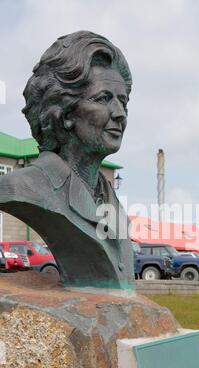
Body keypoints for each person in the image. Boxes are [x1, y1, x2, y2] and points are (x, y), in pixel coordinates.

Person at [0, 31, 134, 289]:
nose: (120, 114)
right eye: (103, 98)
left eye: (123, 101)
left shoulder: (111, 202)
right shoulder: (22, 188)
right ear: (64, 113)